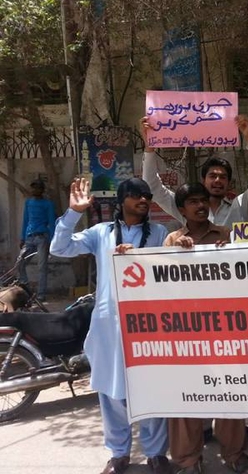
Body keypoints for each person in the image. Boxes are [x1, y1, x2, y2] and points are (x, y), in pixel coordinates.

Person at [50, 178, 171, 474]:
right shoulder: (101, 233)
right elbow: (59, 248)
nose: (143, 199)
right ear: (121, 200)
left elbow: (168, 268)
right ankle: (119, 454)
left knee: (151, 388)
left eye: (147, 195)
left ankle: (156, 453)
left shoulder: (159, 232)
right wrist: (74, 213)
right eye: (136, 195)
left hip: (148, 324)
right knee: (111, 391)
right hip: (109, 325)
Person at [163, 183, 248, 474]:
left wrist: (229, 255)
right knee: (185, 398)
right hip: (186, 333)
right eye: (193, 201)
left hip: (224, 330)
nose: (201, 206)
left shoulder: (226, 236)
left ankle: (235, 454)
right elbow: (161, 284)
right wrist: (176, 255)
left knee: (230, 394)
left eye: (203, 201)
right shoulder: (171, 240)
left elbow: (245, 277)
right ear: (182, 209)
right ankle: (188, 461)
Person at [141, 114, 248, 227]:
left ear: (229, 183)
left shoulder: (241, 206)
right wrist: (149, 148)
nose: (218, 180)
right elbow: (152, 187)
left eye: (223, 177)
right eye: (212, 176)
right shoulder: (188, 209)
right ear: (203, 180)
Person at [19, 179, 56, 301]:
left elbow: (52, 222)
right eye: (33, 188)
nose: (35, 190)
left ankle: (41, 294)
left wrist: (52, 241)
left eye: (38, 188)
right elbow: (25, 220)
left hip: (42, 237)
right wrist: (22, 237)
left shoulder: (48, 204)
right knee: (20, 263)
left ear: (42, 190)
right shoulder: (28, 202)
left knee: (42, 267)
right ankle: (26, 290)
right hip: (29, 237)